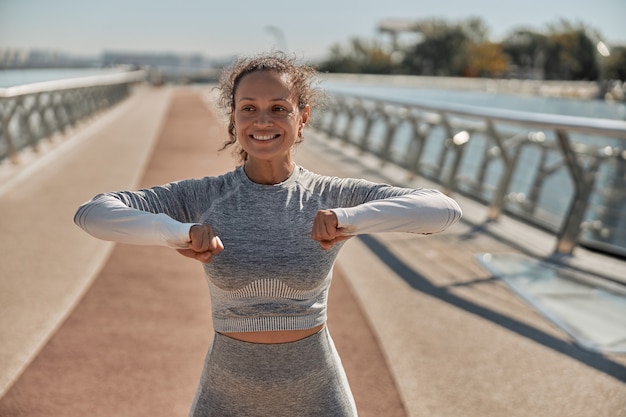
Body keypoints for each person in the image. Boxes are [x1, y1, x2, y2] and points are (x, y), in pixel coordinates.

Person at [74, 52, 462, 417]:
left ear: (303, 117)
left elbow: (442, 211)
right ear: (233, 117)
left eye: (279, 108)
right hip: (226, 396)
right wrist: (180, 233)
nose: (263, 121)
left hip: (318, 395)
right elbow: (92, 214)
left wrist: (349, 219)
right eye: (249, 109)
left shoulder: (329, 195)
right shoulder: (203, 196)